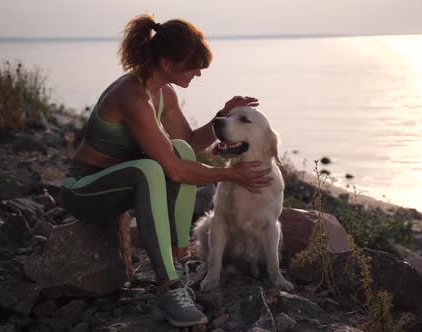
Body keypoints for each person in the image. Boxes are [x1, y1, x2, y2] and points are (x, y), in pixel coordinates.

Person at [59, 13, 272, 327]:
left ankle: (178, 263)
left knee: (179, 150)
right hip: (84, 189)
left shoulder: (164, 93)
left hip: (118, 185)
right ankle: (168, 287)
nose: (199, 74)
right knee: (149, 169)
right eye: (193, 66)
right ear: (167, 64)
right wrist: (230, 174)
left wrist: (222, 115)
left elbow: (188, 143)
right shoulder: (131, 96)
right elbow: (174, 172)